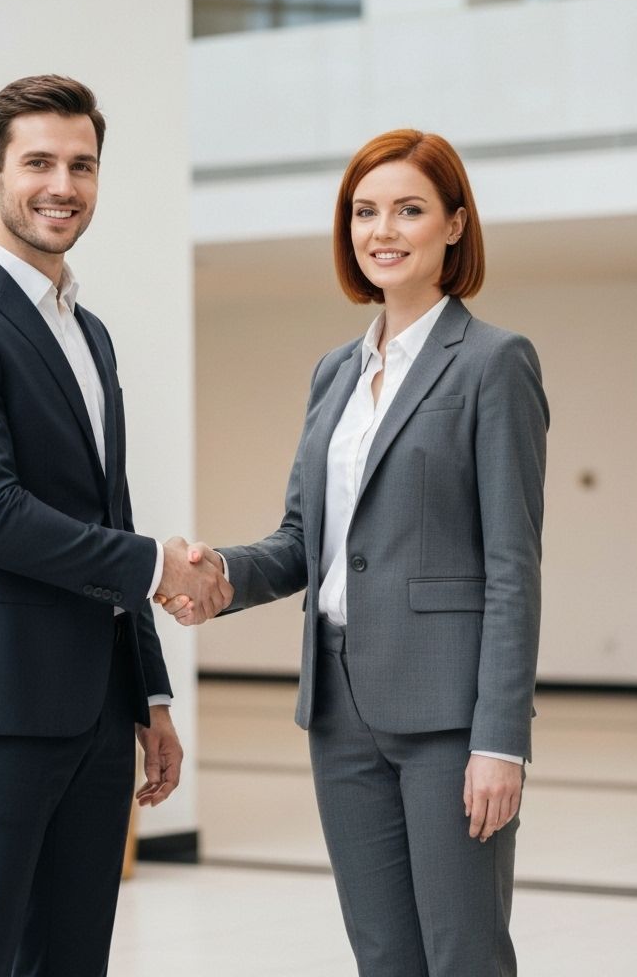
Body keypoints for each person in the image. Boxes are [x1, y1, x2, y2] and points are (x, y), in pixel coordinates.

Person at [161, 129, 548, 976]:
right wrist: (222, 575)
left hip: (448, 714)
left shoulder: (493, 363)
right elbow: (308, 540)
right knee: (382, 954)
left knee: (463, 954)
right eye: (364, 212)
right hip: (338, 709)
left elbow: (513, 568)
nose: (383, 230)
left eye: (409, 209)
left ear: (453, 224)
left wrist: (501, 740)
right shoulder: (334, 372)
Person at [0, 74, 231, 977]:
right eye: (38, 162)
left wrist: (149, 694)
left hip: (94, 713)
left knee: (74, 960)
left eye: (82, 165)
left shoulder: (91, 333)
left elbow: (105, 515)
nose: (63, 185)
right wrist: (159, 559)